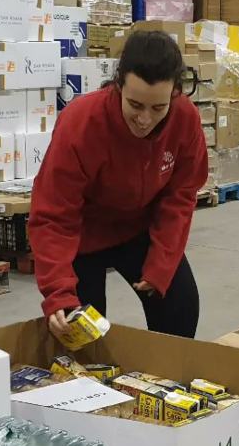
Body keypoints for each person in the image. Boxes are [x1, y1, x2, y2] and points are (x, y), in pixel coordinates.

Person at [29, 31, 209, 340]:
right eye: (135, 105)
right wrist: (58, 290)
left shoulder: (185, 120)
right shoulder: (81, 123)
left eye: (158, 108)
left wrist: (161, 264)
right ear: (118, 85)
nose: (144, 119)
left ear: (175, 94)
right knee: (83, 333)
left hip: (139, 229)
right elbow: (53, 215)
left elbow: (180, 196)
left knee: (179, 306)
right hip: (83, 237)